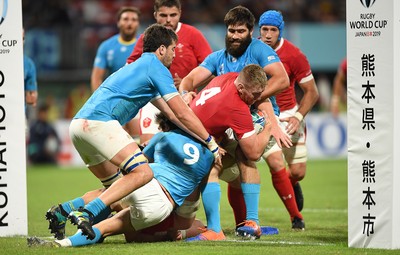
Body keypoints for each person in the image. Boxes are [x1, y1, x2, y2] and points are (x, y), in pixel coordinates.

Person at [60, 24, 221, 240]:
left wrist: (196, 134)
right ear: (162, 49)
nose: (175, 54)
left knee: (118, 186)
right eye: (173, 49)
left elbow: (172, 116)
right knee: (143, 173)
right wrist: (210, 141)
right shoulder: (157, 68)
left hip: (78, 125)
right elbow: (182, 112)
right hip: (100, 122)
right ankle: (88, 213)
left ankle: (63, 212)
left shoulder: (138, 69)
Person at [179, 6, 290, 240]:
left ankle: (253, 221)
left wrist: (250, 100)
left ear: (251, 32)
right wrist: (185, 92)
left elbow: (282, 79)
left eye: (241, 31)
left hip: (258, 114)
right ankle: (236, 224)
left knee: (246, 155)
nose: (235, 35)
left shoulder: (259, 49)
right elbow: (189, 79)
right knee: (218, 164)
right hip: (229, 119)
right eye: (231, 31)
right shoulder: (218, 57)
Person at [38, 112, 214, 246]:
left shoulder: (163, 137)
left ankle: (67, 210)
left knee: (110, 192)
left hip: (149, 186)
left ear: (167, 126)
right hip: (161, 207)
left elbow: (139, 162)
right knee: (109, 228)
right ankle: (64, 244)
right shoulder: (209, 155)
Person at [257, 10, 319, 230]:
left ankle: (291, 185)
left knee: (298, 172)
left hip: (289, 115)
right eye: (264, 29)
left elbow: (312, 92)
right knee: (274, 164)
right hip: (262, 116)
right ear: (259, 30)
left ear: (279, 31)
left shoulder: (294, 55)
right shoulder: (250, 50)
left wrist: (299, 116)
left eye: (273, 30)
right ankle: (295, 216)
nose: (268, 34)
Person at [126, 0, 212, 144]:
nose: (168, 20)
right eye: (163, 15)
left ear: (180, 14)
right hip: (153, 99)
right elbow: (130, 67)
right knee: (148, 145)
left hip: (184, 99)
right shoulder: (147, 38)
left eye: (173, 15)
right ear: (155, 15)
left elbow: (212, 70)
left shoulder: (193, 35)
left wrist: (188, 82)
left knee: (186, 146)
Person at [90, 6, 141, 138]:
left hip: (140, 98)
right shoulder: (107, 46)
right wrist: (101, 103)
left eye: (133, 19)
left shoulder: (145, 45)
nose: (129, 23)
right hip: (115, 100)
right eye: (125, 19)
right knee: (118, 140)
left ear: (138, 23)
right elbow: (96, 77)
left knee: (139, 139)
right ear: (118, 22)